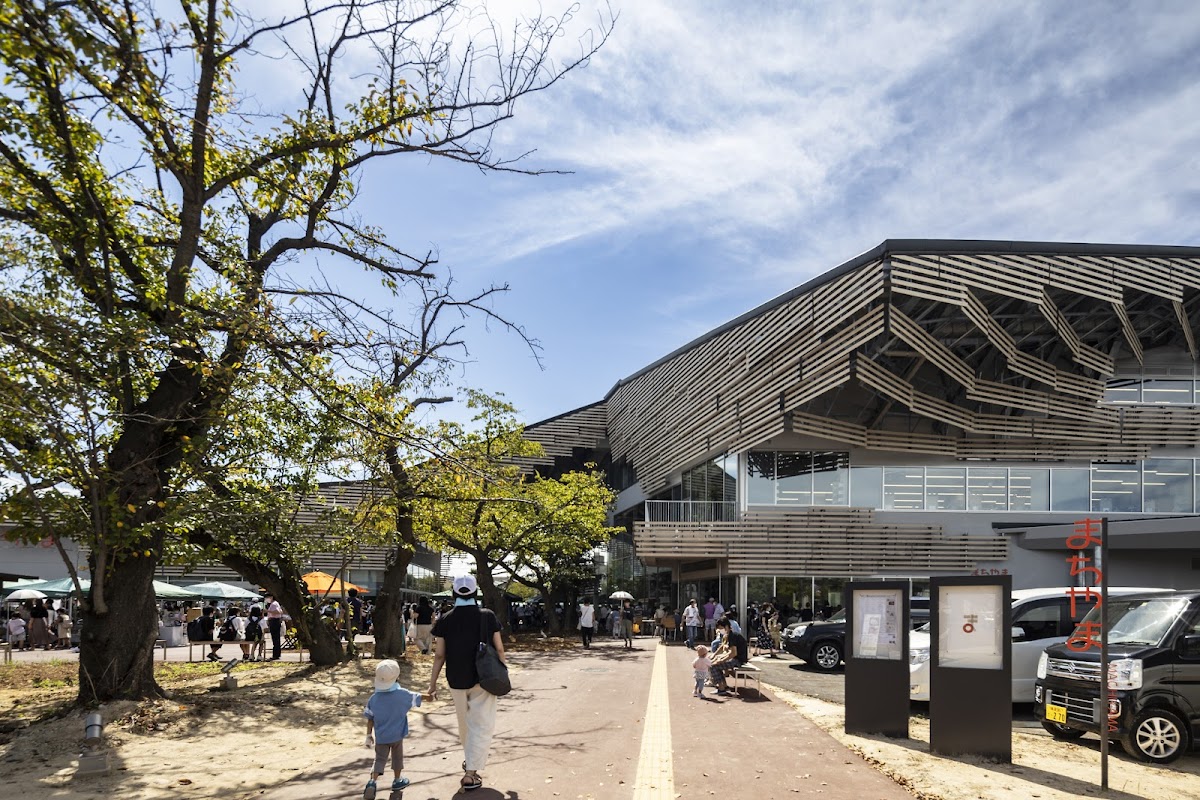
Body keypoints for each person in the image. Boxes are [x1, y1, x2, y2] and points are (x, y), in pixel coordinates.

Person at [427, 575, 505, 793]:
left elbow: (439, 656)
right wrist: (503, 671)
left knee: (464, 724)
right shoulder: (487, 616)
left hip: (456, 679)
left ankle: (469, 761)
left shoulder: (445, 619)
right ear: (475, 593)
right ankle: (470, 773)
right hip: (484, 678)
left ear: (454, 593)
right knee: (482, 724)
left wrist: (431, 684)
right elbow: (499, 649)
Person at [362, 659, 422, 799]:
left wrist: (368, 735)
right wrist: (430, 694)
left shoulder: (374, 698)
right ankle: (397, 780)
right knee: (397, 758)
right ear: (397, 677)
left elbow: (370, 718)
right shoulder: (403, 695)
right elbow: (419, 698)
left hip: (381, 737)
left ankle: (372, 782)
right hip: (397, 735)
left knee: (379, 760)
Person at [708, 618, 749, 696]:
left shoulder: (732, 636)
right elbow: (724, 648)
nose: (720, 630)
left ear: (726, 627)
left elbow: (733, 653)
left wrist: (721, 660)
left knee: (713, 666)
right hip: (736, 658)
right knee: (715, 664)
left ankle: (721, 688)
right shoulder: (729, 635)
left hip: (738, 660)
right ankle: (723, 685)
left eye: (720, 628)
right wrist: (718, 657)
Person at [265, 593, 284, 660]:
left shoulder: (274, 604)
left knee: (275, 638)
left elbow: (278, 612)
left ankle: (276, 654)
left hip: (274, 621)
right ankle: (276, 654)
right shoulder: (275, 603)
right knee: (276, 639)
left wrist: (268, 611)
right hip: (274, 621)